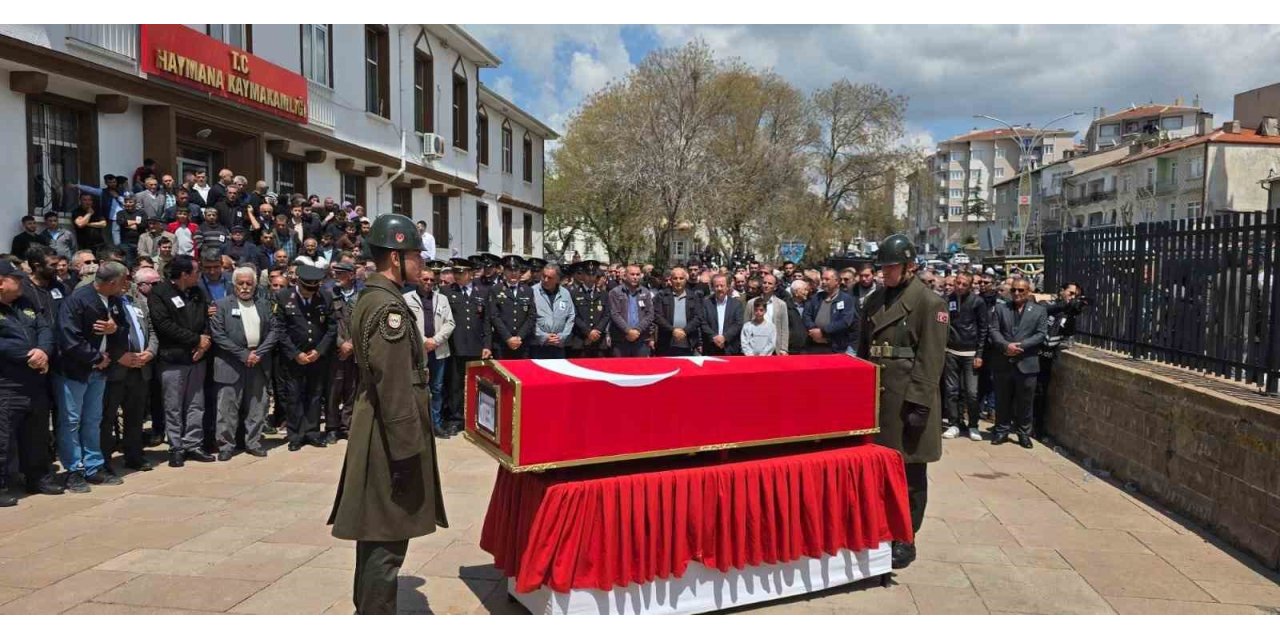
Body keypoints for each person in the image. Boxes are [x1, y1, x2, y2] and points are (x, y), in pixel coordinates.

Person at [328, 213, 448, 615]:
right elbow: (394, 385)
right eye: (417, 256)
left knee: (378, 534)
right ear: (396, 257)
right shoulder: (388, 309)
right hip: (388, 437)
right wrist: (406, 452)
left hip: (380, 428)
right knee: (387, 541)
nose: (423, 265)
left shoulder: (376, 297)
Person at [858, 234, 947, 570]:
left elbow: (931, 358)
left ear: (910, 266)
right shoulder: (874, 300)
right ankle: (880, 528)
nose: (884, 273)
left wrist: (920, 403)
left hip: (908, 399)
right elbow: (863, 348)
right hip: (878, 397)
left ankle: (906, 536)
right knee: (879, 469)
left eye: (890, 267)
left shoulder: (929, 303)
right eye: (882, 267)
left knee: (909, 472)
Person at [56, 260, 129, 491]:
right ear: (113, 282)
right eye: (124, 280)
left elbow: (125, 330)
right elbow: (69, 338)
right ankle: (73, 470)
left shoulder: (116, 301)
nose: (126, 284)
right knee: (71, 421)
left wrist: (114, 330)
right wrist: (96, 358)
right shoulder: (77, 300)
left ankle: (93, 466)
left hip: (100, 372)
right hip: (75, 372)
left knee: (92, 420)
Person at [0, 261, 60, 505]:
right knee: (2, 437)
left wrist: (43, 351)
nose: (23, 282)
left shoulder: (26, 303)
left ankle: (38, 477)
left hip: (35, 381)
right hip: (7, 383)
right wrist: (28, 355)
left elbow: (45, 328)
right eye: (17, 278)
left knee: (36, 434)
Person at [149, 255, 214, 468]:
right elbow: (164, 325)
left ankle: (193, 443)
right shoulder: (160, 293)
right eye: (196, 272)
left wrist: (204, 343)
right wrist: (196, 340)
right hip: (173, 359)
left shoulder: (197, 292)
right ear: (185, 274)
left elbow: (205, 319)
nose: (199, 276)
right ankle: (176, 446)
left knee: (196, 404)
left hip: (197, 358)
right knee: (173, 405)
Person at [209, 266, 278, 460]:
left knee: (258, 405)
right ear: (234, 285)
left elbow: (274, 331)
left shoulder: (264, 304)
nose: (245, 287)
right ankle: (225, 446)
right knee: (227, 408)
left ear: (255, 286)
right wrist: (243, 354)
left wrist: (259, 353)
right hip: (230, 362)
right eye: (241, 284)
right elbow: (218, 334)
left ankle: (253, 442)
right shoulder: (222, 305)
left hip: (258, 362)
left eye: (249, 284)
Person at [100, 266, 159, 475]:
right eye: (123, 279)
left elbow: (151, 330)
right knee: (107, 417)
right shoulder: (105, 304)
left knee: (135, 416)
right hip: (117, 369)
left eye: (128, 279)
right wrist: (120, 355)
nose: (127, 283)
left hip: (140, 367)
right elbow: (102, 336)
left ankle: (134, 456)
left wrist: (150, 352)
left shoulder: (138, 302)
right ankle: (103, 461)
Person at [275, 263, 336, 451]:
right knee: (294, 396)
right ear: (298, 283)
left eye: (314, 288)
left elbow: (332, 328)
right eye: (306, 288)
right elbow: (280, 330)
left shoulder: (325, 296)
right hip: (295, 357)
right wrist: (295, 354)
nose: (310, 292)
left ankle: (312, 432)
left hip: (317, 356)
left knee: (315, 395)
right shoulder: (284, 297)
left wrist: (320, 350)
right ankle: (296, 435)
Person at [988, 276, 1050, 449]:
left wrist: (1020, 346)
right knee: (1002, 399)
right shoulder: (1001, 309)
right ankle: (1001, 430)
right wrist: (1006, 346)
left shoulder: (1039, 311)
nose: (1016, 293)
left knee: (1025, 401)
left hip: (1027, 361)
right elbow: (993, 330)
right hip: (1004, 361)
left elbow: (1040, 334)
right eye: (1013, 290)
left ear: (1028, 292)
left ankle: (1024, 433)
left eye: (1020, 290)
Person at [403, 265, 454, 436]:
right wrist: (424, 342)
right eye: (425, 279)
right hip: (418, 350)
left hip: (439, 350)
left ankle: (435, 424)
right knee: (416, 387)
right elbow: (407, 324)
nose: (429, 283)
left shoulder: (443, 299)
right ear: (418, 279)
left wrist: (435, 341)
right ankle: (417, 424)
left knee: (437, 388)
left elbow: (450, 323)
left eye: (432, 280)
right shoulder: (407, 298)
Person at [1035, 282, 1086, 440]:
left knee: (1041, 394)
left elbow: (1068, 333)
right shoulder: (1048, 303)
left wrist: (1072, 313)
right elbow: (1042, 311)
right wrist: (1064, 305)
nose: (1073, 297)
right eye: (1070, 293)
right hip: (1032, 356)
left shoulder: (1068, 314)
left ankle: (1037, 429)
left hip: (1047, 359)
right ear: (1061, 291)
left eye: (1075, 295)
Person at [442, 258, 488, 434]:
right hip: (456, 345)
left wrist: (487, 345)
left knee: (477, 384)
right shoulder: (447, 291)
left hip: (477, 346)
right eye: (455, 273)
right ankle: (456, 418)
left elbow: (486, 321)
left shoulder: (482, 291)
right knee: (455, 384)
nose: (457, 276)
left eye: (461, 273)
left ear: (470, 274)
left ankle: (477, 418)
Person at [943, 272, 988, 442]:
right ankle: (954, 423)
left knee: (972, 392)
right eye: (958, 283)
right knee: (951, 390)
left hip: (970, 353)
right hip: (951, 351)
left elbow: (984, 329)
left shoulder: (978, 302)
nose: (960, 287)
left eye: (964, 284)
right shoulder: (948, 300)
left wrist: (979, 353)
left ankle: (974, 425)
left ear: (970, 286)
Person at [327, 261, 362, 442]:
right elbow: (326, 324)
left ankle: (346, 425)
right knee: (334, 389)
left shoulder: (362, 295)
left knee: (352, 389)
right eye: (335, 273)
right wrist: (341, 344)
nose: (336, 276)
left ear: (351, 275)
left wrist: (353, 345)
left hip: (355, 352)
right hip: (336, 351)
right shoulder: (329, 294)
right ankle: (332, 427)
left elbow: (366, 323)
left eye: (341, 273)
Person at [484, 255, 535, 360]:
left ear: (520, 271)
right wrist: (508, 338)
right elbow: (494, 316)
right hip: (502, 343)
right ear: (504, 271)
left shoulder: (528, 290)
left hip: (522, 343)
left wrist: (519, 337)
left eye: (516, 270)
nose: (513, 273)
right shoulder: (496, 290)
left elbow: (531, 316)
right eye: (509, 270)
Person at [802, 268, 859, 354]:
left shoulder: (846, 299)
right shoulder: (816, 298)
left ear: (836, 281)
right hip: (814, 344)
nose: (823, 282)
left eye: (827, 279)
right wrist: (814, 330)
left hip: (835, 346)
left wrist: (823, 332)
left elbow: (845, 321)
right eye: (822, 279)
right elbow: (806, 315)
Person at [607, 264, 655, 357]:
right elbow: (614, 314)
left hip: (641, 339)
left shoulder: (646, 292)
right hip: (621, 339)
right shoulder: (615, 292)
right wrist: (628, 331)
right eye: (632, 274)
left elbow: (650, 314)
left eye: (637, 274)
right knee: (621, 370)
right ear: (625, 276)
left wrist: (637, 330)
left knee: (641, 369)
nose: (635, 277)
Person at [529, 264, 575, 359]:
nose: (545, 280)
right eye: (544, 276)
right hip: (538, 345)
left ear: (557, 279)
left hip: (558, 344)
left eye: (550, 278)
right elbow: (528, 318)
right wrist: (543, 337)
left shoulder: (565, 293)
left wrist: (562, 336)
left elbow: (571, 316)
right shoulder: (532, 291)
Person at [653, 266, 701, 356]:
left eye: (681, 278)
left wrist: (685, 331)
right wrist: (673, 330)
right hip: (666, 343)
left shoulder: (693, 296)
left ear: (686, 280)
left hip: (688, 343)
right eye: (675, 278)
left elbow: (698, 317)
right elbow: (657, 316)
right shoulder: (662, 295)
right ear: (670, 280)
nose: (678, 281)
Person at [745, 273, 789, 355]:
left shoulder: (781, 304)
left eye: (770, 283)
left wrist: (784, 348)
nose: (766, 285)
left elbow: (784, 328)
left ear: (775, 287)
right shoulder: (751, 303)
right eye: (764, 283)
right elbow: (746, 326)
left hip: (775, 348)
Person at [701, 274, 743, 356]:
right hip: (711, 348)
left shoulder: (736, 304)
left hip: (730, 348)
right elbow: (703, 323)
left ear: (727, 287)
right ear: (712, 288)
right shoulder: (706, 303)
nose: (719, 289)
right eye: (716, 286)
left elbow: (738, 323)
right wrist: (714, 337)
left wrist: (725, 338)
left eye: (722, 286)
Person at [785, 280, 810, 355]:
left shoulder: (809, 305)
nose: (807, 292)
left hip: (807, 347)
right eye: (804, 290)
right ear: (796, 292)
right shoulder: (785, 306)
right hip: (790, 348)